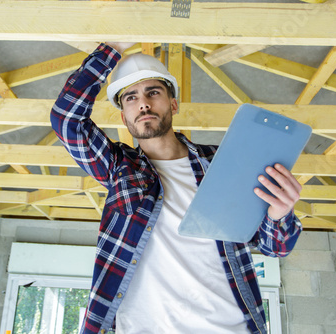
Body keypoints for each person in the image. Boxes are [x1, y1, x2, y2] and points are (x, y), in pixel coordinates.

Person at [51, 42, 303, 334]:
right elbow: (66, 118)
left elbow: (276, 247)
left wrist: (280, 213)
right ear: (123, 116)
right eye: (130, 97)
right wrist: (114, 46)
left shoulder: (222, 163)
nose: (143, 103)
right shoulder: (120, 167)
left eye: (153, 92)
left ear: (173, 104)